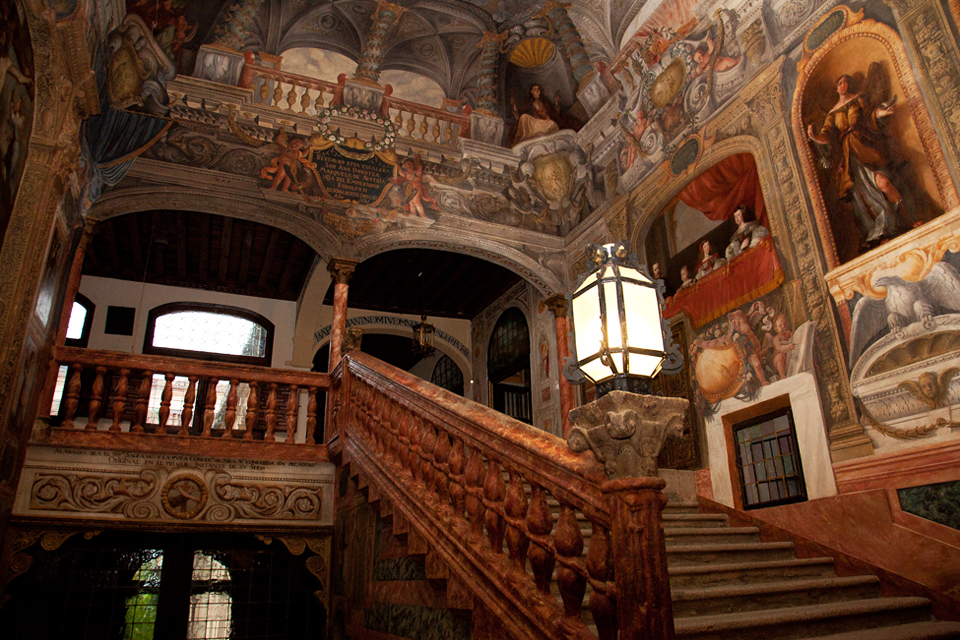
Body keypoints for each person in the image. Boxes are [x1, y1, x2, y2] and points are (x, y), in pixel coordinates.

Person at [807, 73, 906, 248]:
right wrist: (814, 136)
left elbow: (869, 115)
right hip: (847, 157)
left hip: (865, 146)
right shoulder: (832, 113)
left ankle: (906, 220)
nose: (843, 84)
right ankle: (880, 234)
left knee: (884, 183)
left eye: (845, 81)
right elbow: (827, 135)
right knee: (862, 199)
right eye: (840, 82)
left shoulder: (859, 98)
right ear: (836, 88)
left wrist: (883, 113)